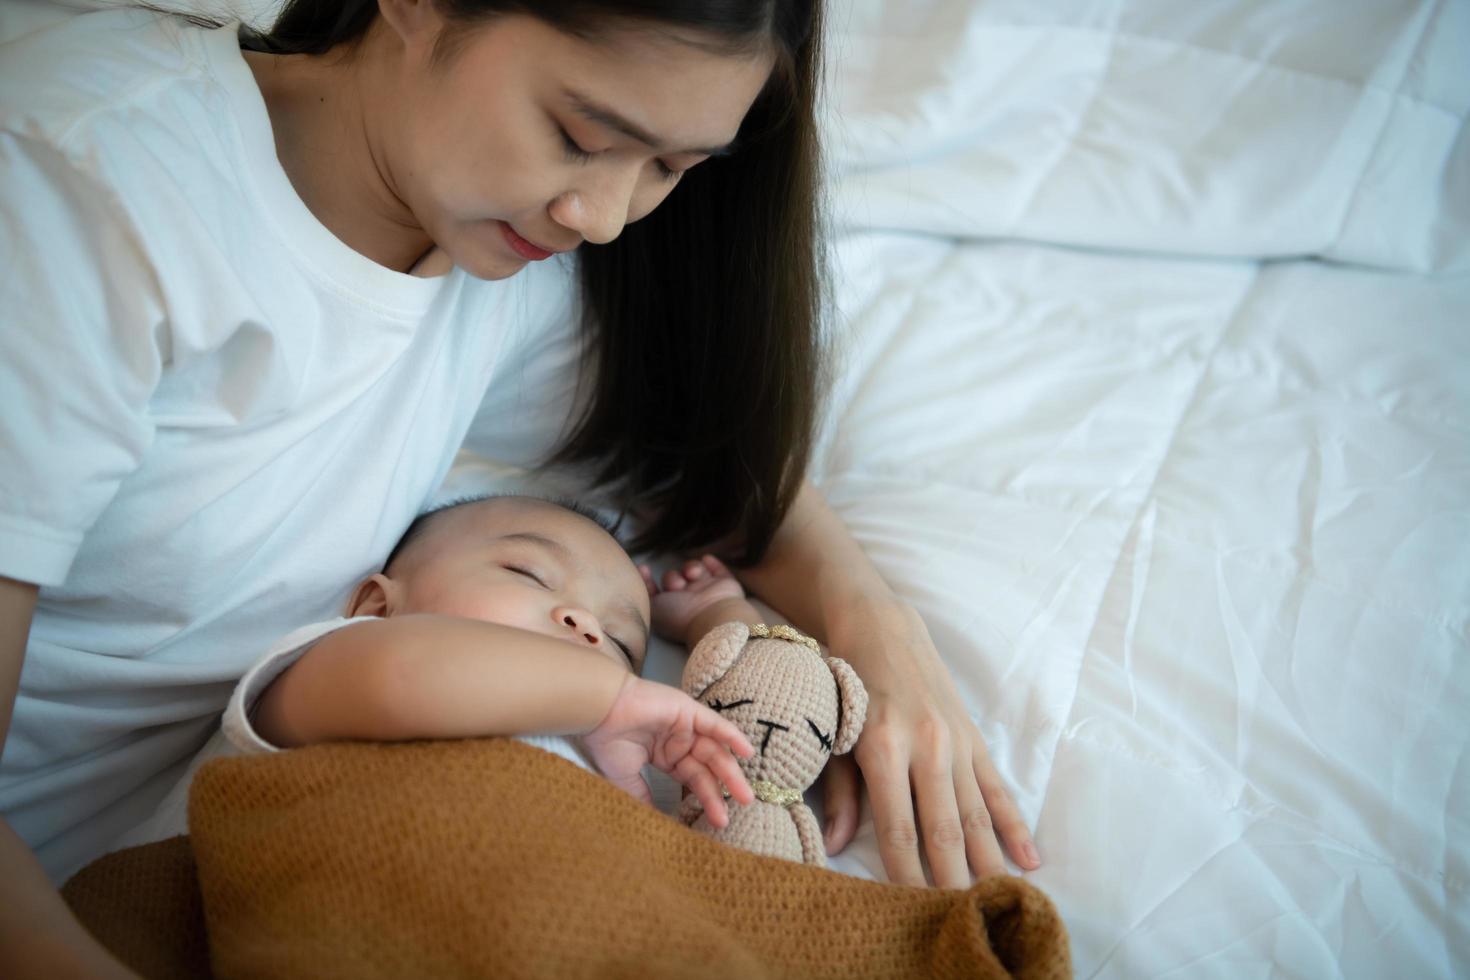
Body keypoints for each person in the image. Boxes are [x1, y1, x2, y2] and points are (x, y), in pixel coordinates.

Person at [0, 0, 1037, 974]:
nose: (605, 216)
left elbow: (709, 472)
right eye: (582, 134)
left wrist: (878, 642)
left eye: (671, 165)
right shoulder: (75, 187)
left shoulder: (499, 263)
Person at [118, 494, 758, 848]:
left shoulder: (608, 761)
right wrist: (611, 692)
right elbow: (397, 679)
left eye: (619, 641)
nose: (586, 625)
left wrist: (717, 616)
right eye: (527, 574)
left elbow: (740, 782)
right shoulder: (340, 659)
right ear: (377, 605)